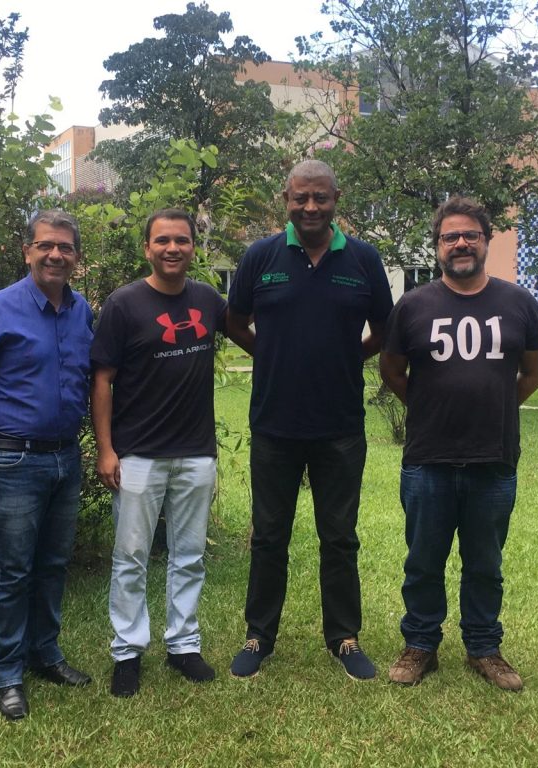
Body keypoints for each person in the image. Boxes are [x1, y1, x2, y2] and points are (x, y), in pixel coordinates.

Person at [226, 159, 394, 680]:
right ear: (286, 199)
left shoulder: (363, 260)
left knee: (340, 537)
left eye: (320, 197)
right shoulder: (261, 257)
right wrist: (271, 352)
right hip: (274, 423)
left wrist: (348, 358)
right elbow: (234, 321)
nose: (311, 207)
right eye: (301, 198)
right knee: (270, 536)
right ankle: (259, 636)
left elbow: (387, 331)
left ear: (336, 198)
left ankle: (343, 637)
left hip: (340, 426)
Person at [380, 196, 538, 691]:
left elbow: (534, 371)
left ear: (486, 241)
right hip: (428, 458)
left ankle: (484, 648)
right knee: (423, 560)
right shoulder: (413, 305)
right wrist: (431, 406)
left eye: (470, 235)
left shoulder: (518, 303)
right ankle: (421, 646)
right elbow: (392, 371)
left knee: (485, 563)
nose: (460, 243)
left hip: (493, 459)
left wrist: (495, 405)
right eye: (450, 236)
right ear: (436, 246)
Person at [0, 209, 94, 721]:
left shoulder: (81, 311)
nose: (56, 255)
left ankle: (45, 653)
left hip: (65, 459)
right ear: (26, 251)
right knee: (12, 573)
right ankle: (7, 673)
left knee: (52, 567)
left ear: (75, 255)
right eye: (46, 246)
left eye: (65, 247)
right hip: (12, 460)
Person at [91, 208, 228, 697]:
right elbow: (102, 379)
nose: (173, 248)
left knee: (188, 555)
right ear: (147, 248)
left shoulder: (209, 299)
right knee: (130, 556)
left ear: (194, 247)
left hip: (195, 454)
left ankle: (183, 646)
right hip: (139, 455)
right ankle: (128, 651)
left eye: (183, 241)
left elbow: (259, 334)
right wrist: (107, 449)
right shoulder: (124, 304)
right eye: (163, 241)